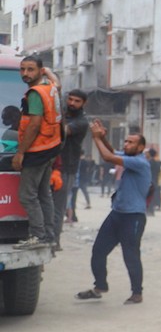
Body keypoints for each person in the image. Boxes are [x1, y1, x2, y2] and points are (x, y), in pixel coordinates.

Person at [77, 123, 151, 304]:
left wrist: (95, 137)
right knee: (98, 251)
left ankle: (137, 293)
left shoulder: (140, 162)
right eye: (125, 141)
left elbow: (107, 156)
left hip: (133, 217)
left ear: (140, 147)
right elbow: (112, 153)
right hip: (117, 214)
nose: (126, 145)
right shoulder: (128, 157)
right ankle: (100, 286)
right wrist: (102, 137)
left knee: (131, 255)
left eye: (131, 142)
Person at [15, 53, 62, 245]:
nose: (25, 73)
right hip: (51, 148)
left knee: (27, 195)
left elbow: (34, 125)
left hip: (36, 151)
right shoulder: (50, 87)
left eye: (30, 69)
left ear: (39, 71)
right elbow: (57, 83)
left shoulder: (34, 94)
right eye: (23, 69)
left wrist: (20, 153)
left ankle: (38, 235)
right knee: (44, 194)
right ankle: (49, 235)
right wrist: (48, 73)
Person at [54, 89, 89, 231]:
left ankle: (54, 242)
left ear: (83, 103)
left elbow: (62, 131)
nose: (72, 103)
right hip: (50, 165)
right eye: (70, 99)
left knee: (58, 207)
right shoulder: (62, 115)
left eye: (77, 101)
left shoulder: (81, 122)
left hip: (66, 169)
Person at [145, 148, 161, 215]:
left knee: (149, 196)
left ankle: (149, 210)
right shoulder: (157, 162)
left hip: (149, 181)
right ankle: (151, 211)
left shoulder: (149, 162)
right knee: (152, 196)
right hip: (155, 180)